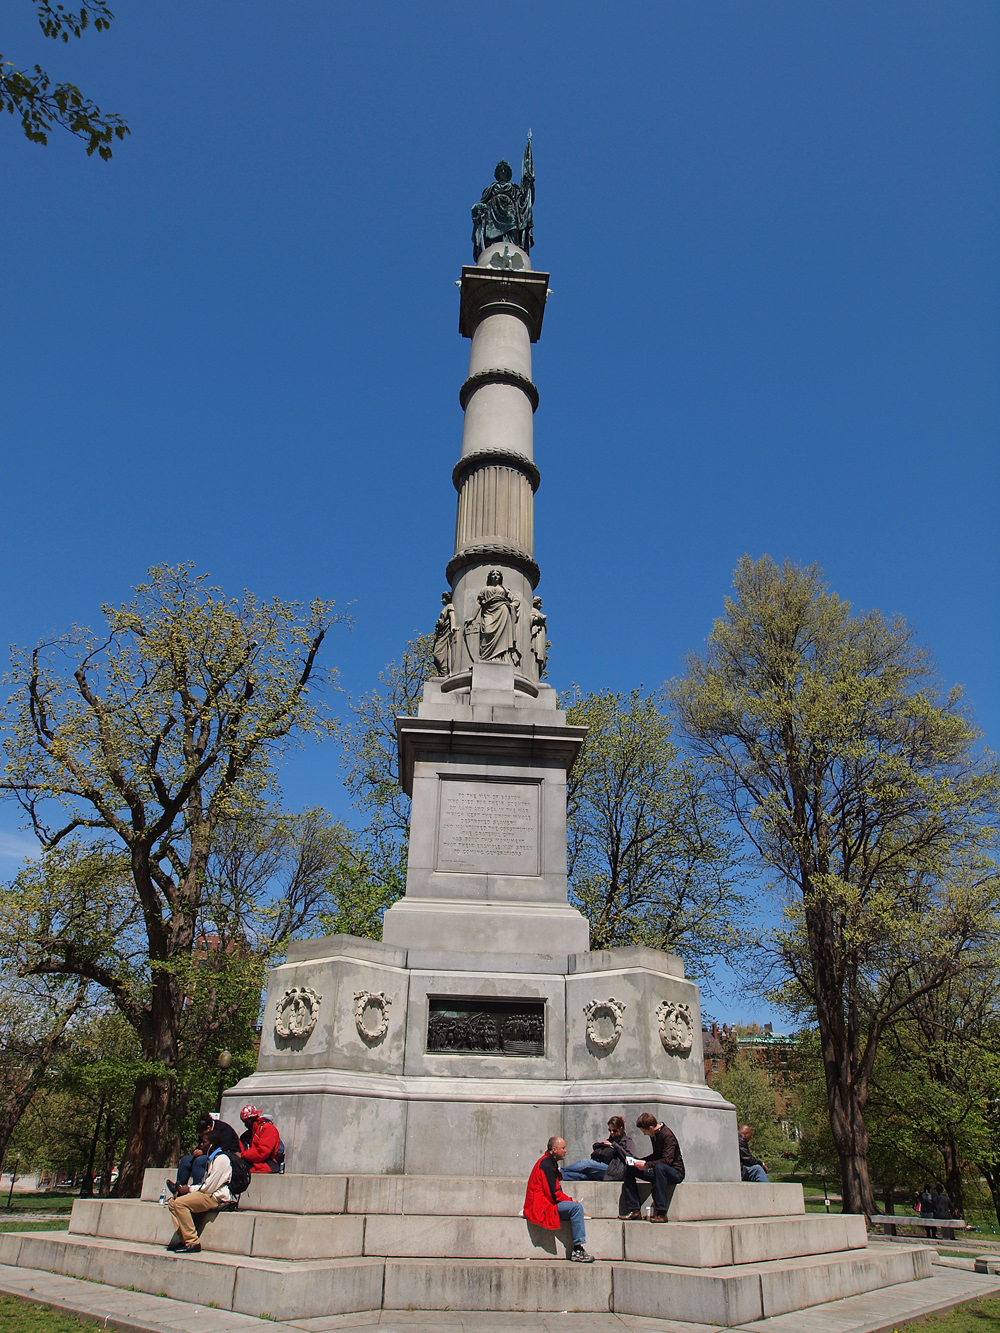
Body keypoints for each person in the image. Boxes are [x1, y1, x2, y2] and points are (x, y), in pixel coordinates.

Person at [522, 1136, 595, 1262]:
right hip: (541, 1207)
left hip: (544, 1204)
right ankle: (577, 1250)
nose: (566, 1151)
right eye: (563, 1148)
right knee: (577, 1208)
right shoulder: (546, 1164)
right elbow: (553, 1195)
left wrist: (568, 1200)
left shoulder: (549, 1163)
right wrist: (571, 1201)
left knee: (573, 1208)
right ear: (554, 1150)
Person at [165, 1125, 234, 1253]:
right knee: (172, 1203)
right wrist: (185, 1189)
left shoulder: (222, 1159)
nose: (201, 1145)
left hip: (216, 1197)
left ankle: (192, 1242)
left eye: (204, 1142)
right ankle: (183, 1239)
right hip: (208, 1194)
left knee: (180, 1203)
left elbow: (208, 1188)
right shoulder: (212, 1160)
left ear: (212, 1144)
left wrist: (188, 1189)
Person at [619, 1112, 685, 1222]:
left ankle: (661, 1212)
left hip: (675, 1172)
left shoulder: (667, 1136)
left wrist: (646, 1165)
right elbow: (656, 1156)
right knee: (630, 1169)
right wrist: (639, 1161)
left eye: (645, 1132)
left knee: (660, 1168)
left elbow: (667, 1160)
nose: (645, 1134)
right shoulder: (654, 1135)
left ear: (650, 1128)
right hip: (659, 1170)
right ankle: (634, 1209)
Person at [168, 1113, 242, 1195]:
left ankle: (197, 1190)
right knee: (185, 1160)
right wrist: (197, 1150)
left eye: (203, 1135)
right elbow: (201, 1145)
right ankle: (179, 1189)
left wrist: (203, 1152)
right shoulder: (204, 1134)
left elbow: (224, 1148)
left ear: (209, 1128)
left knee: (199, 1161)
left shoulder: (224, 1130)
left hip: (222, 1155)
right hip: (207, 1153)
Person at [562, 1116, 637, 1182]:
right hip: (605, 1167)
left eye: (614, 1130)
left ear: (621, 1129)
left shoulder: (627, 1141)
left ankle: (560, 1170)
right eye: (610, 1130)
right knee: (583, 1175)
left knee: (586, 1163)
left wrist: (614, 1145)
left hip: (614, 1170)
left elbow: (629, 1157)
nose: (611, 1133)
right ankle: (560, 1175)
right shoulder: (611, 1140)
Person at [240, 1104, 282, 1173]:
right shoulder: (246, 1135)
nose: (245, 1125)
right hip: (253, 1162)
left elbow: (262, 1152)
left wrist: (243, 1155)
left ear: (252, 1118)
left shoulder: (267, 1128)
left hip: (268, 1164)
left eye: (246, 1121)